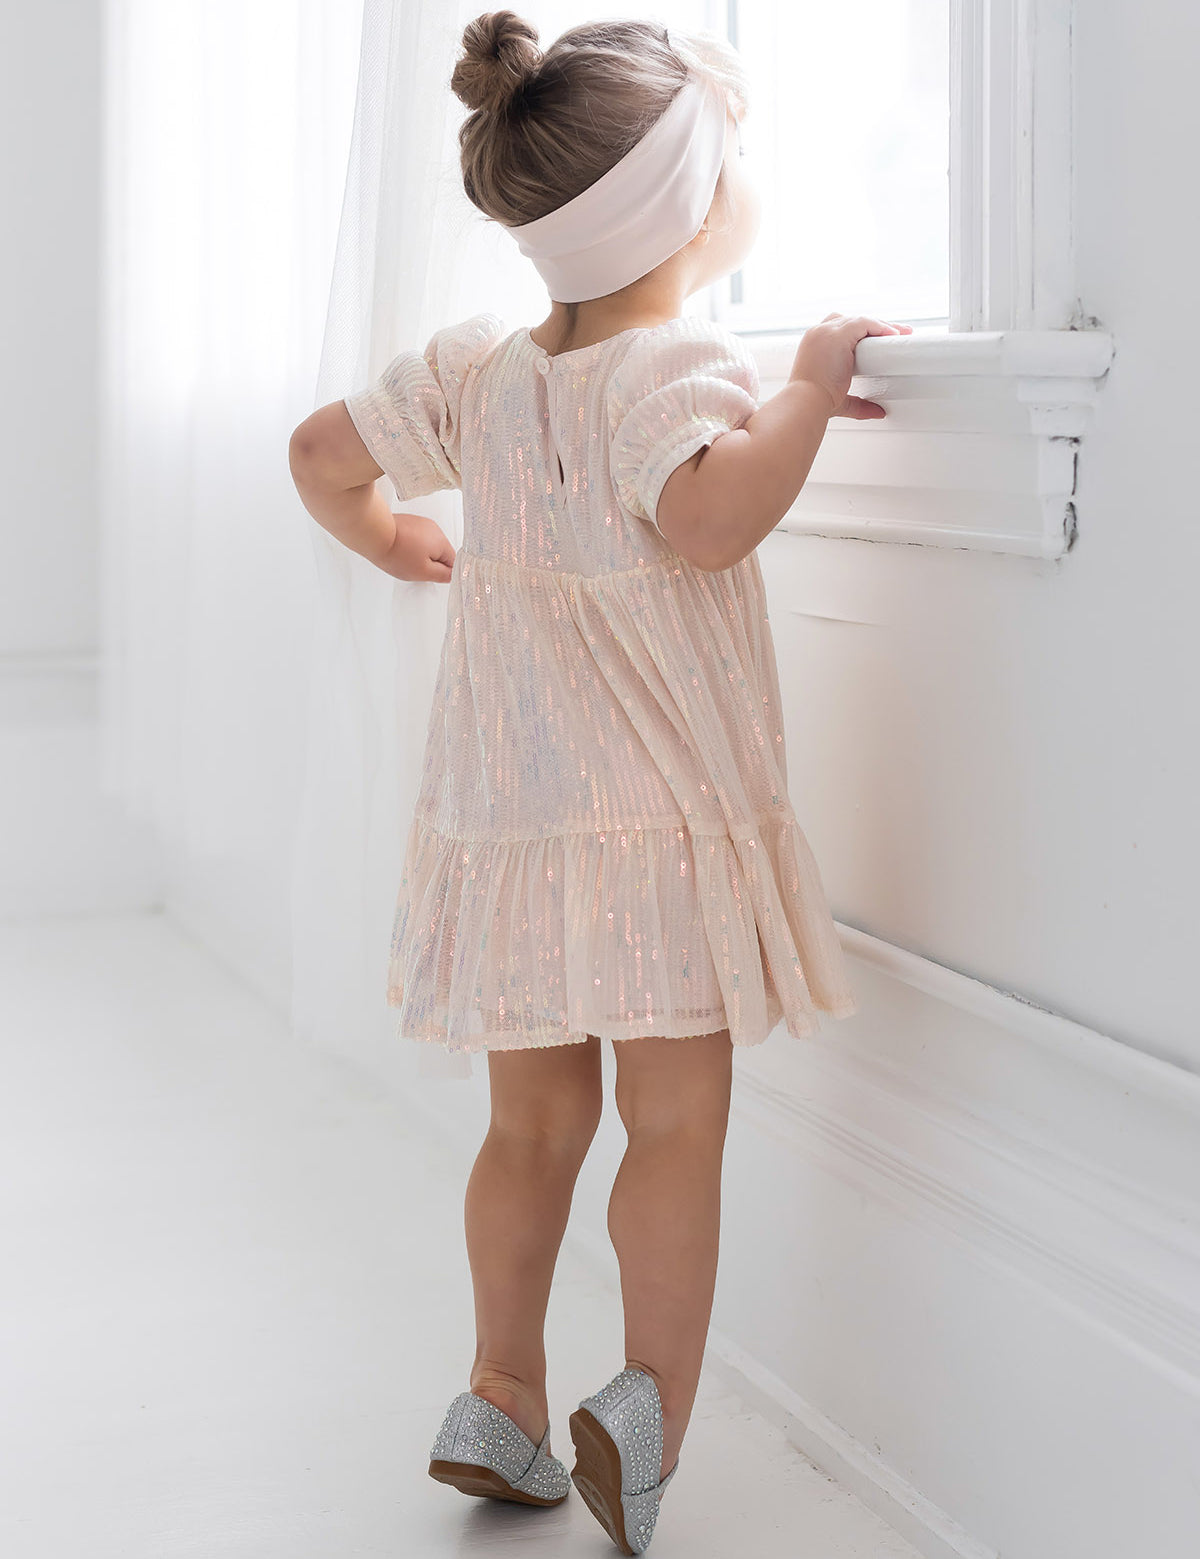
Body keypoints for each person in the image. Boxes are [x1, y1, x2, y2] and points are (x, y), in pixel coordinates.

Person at [289, 11, 912, 1553]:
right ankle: (645, 1411)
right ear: (689, 210)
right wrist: (812, 390)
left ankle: (497, 1393)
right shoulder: (676, 371)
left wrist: (394, 537)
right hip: (652, 840)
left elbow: (319, 452)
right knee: (675, 1128)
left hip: (508, 833)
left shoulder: (478, 378)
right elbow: (708, 522)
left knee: (529, 1130)